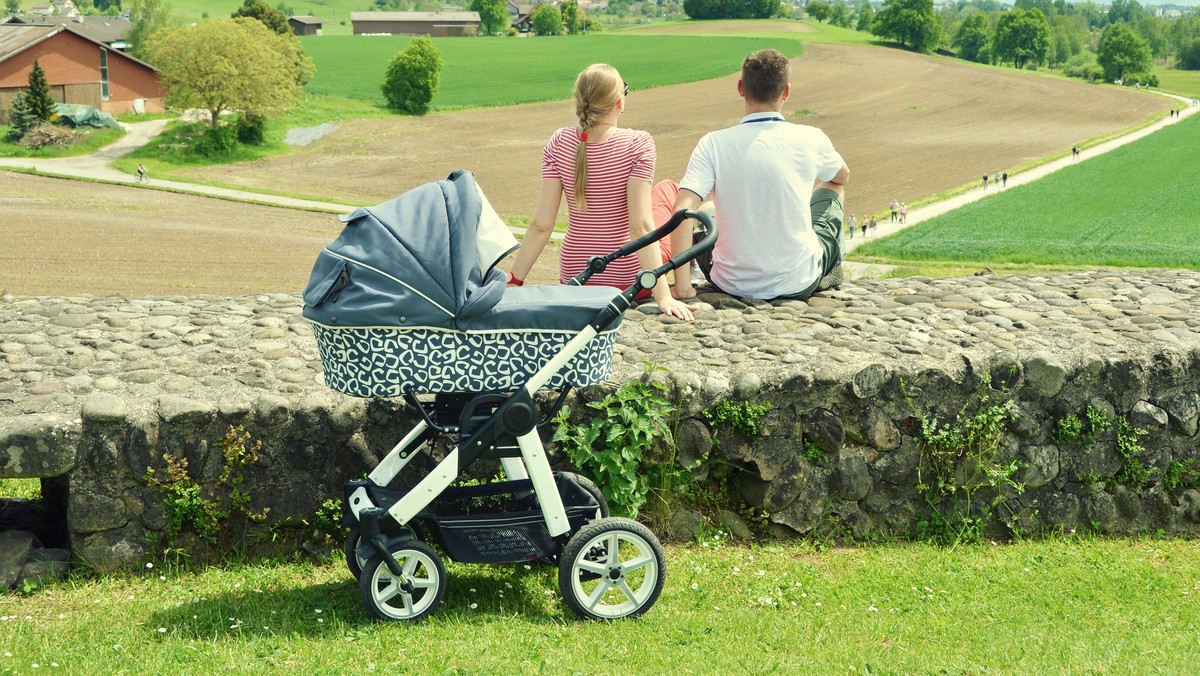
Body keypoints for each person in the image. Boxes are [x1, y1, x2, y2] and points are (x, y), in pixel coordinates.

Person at [507, 63, 697, 321]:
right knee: (669, 190)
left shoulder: (558, 142)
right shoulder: (638, 143)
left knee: (659, 196)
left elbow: (541, 226)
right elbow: (640, 227)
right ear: (620, 102)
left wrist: (515, 280)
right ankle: (684, 282)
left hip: (575, 278)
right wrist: (662, 296)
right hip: (628, 279)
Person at [665, 49, 849, 302]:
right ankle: (832, 270)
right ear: (786, 91)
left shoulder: (713, 143)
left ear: (741, 88)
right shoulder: (812, 137)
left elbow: (682, 211)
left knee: (706, 209)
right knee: (833, 187)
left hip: (728, 282)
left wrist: (683, 288)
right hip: (798, 281)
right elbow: (841, 177)